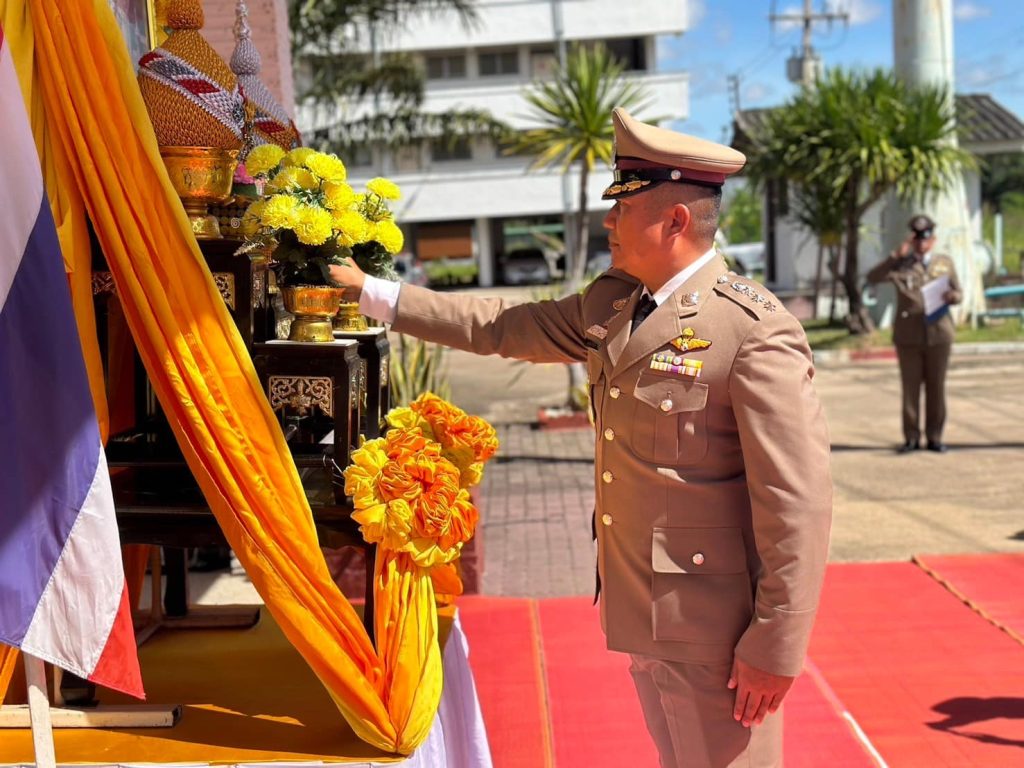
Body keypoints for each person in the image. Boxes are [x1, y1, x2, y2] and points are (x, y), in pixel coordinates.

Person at [331, 108, 833, 768]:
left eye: (622, 208)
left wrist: (776, 642)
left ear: (675, 221)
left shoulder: (750, 330)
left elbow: (796, 502)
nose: (608, 223)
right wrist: (371, 293)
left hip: (717, 630)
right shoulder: (617, 304)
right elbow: (501, 325)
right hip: (645, 610)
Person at [867, 215, 962, 453]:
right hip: (908, 336)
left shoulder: (944, 263)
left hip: (939, 334)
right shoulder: (901, 265)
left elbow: (959, 292)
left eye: (925, 238)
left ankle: (935, 437)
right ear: (912, 240)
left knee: (936, 388)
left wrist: (952, 297)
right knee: (910, 389)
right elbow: (872, 277)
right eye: (917, 239)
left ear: (933, 239)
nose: (921, 243)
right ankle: (911, 437)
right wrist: (894, 256)